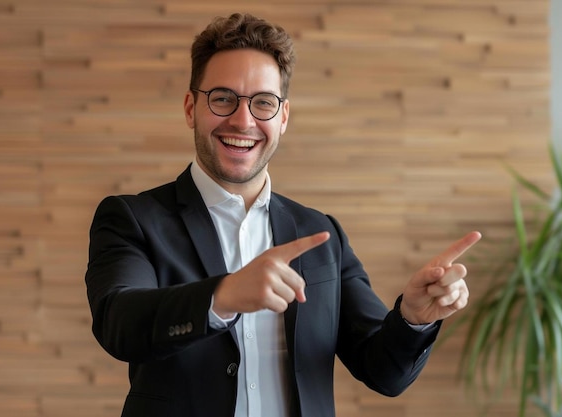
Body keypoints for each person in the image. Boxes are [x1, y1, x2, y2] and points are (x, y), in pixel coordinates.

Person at [84, 12, 482, 417]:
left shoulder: (321, 232)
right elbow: (120, 323)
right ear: (191, 108)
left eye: (263, 103)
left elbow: (384, 371)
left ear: (283, 117)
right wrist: (222, 296)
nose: (243, 120)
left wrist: (413, 319)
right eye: (222, 98)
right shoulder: (132, 218)